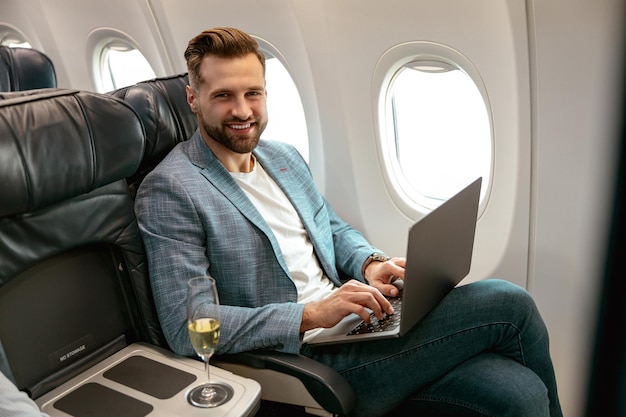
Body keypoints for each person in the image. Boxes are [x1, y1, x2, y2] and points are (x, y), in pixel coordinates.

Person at [135, 27, 563, 417]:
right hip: (312, 358)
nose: (243, 110)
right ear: (193, 99)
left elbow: (333, 230)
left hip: (353, 326)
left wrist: (371, 263)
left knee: (519, 393)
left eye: (254, 93)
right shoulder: (172, 188)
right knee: (509, 302)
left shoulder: (281, 157)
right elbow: (188, 325)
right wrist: (310, 314)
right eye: (224, 96)